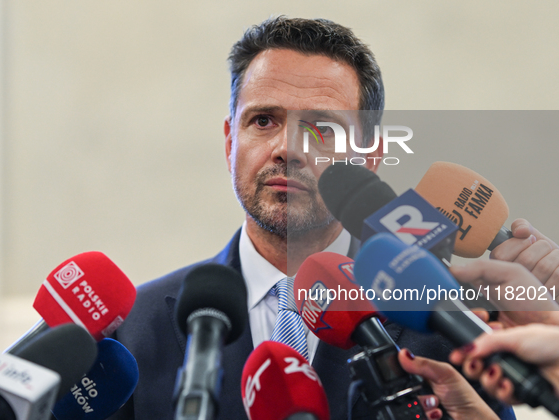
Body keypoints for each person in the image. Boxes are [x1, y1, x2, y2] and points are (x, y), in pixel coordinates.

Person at [109, 16, 515, 420]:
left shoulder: (450, 327)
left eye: (321, 128)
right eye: (264, 120)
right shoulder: (135, 332)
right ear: (231, 140)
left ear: (369, 159)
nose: (288, 148)